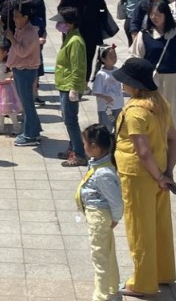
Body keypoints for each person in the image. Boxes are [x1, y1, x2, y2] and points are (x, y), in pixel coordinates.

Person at [112, 57, 176, 296]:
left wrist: (158, 175)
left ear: (134, 84)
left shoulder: (135, 112)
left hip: (138, 176)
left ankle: (142, 282)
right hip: (159, 173)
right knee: (160, 225)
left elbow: (142, 151)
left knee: (140, 229)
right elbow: (173, 140)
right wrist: (167, 173)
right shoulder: (160, 105)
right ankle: (162, 272)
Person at [131, 0, 176, 154]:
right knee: (151, 113)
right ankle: (153, 142)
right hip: (152, 81)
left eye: (158, 14)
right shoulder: (144, 34)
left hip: (173, 80)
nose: (154, 17)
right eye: (152, 14)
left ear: (166, 15)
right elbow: (137, 57)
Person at [77, 124, 123, 301]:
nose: (84, 147)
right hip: (97, 215)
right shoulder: (98, 163)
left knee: (99, 256)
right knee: (107, 253)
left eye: (84, 143)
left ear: (94, 147)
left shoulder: (103, 173)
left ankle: (102, 295)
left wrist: (115, 218)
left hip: (99, 216)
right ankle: (111, 287)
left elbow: (116, 201)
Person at [57, 0, 109, 83]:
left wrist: (59, 1)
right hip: (91, 33)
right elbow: (103, 8)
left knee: (72, 58)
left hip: (72, 33)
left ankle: (73, 81)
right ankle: (85, 85)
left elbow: (61, 12)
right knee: (88, 59)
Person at [54, 7, 88, 167]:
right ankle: (72, 147)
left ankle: (80, 154)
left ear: (71, 23)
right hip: (64, 84)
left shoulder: (75, 41)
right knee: (68, 119)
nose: (60, 24)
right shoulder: (70, 37)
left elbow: (78, 67)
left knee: (71, 121)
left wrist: (74, 88)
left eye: (62, 21)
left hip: (70, 86)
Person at [7, 0, 43, 147]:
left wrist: (11, 38)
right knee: (25, 103)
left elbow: (22, 52)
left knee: (27, 104)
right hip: (19, 70)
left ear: (25, 17)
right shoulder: (20, 29)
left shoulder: (30, 32)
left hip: (26, 71)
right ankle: (33, 130)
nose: (14, 19)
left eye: (17, 16)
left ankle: (31, 135)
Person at [91, 45, 123, 133]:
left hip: (118, 106)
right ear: (103, 59)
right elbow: (96, 92)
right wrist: (105, 97)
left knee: (119, 129)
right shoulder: (101, 74)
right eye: (111, 56)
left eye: (115, 56)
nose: (114, 58)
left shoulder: (118, 71)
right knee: (106, 130)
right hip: (106, 109)